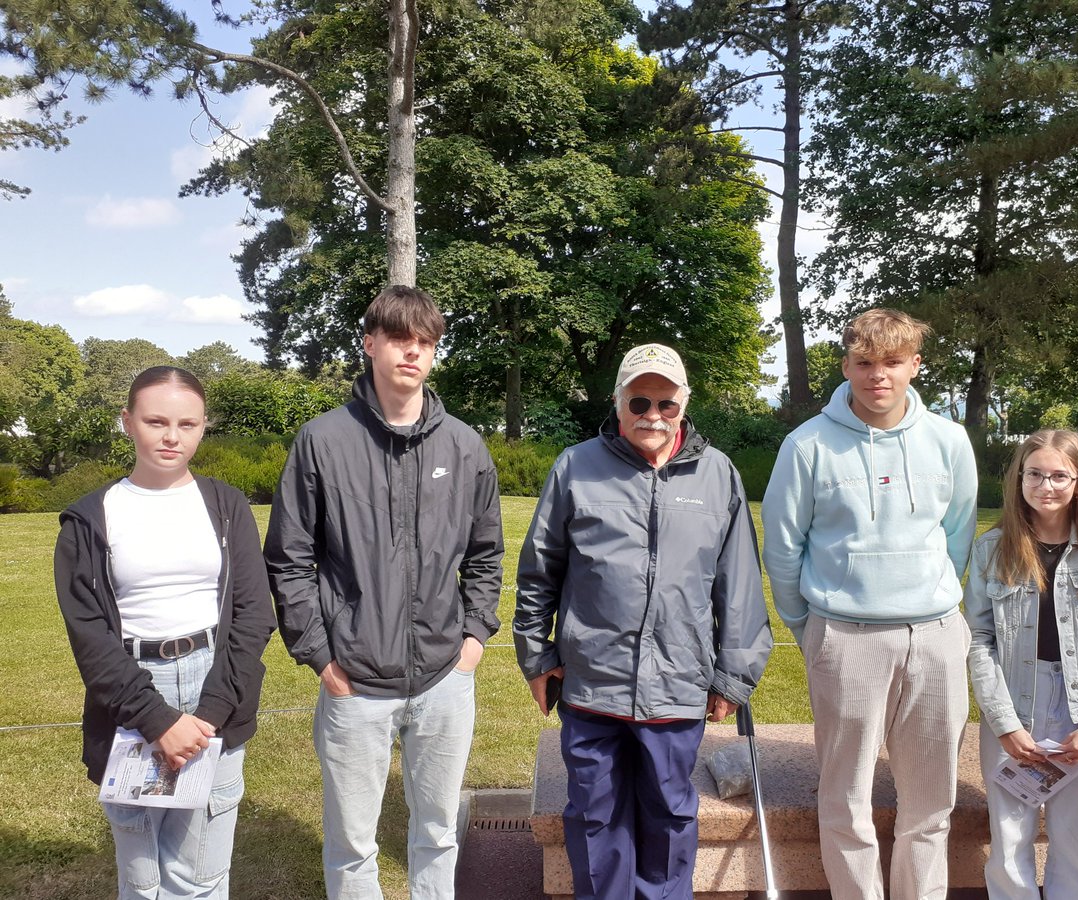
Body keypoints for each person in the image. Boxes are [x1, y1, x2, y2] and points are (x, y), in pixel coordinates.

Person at [264, 285, 504, 900]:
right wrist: (320, 657)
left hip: (444, 678)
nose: (412, 352)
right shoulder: (321, 442)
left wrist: (474, 639)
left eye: (425, 342)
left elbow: (485, 555)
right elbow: (288, 559)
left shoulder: (466, 446)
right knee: (351, 845)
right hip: (354, 681)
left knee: (437, 832)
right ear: (369, 343)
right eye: (399, 338)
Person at [514, 343, 773, 900]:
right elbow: (539, 572)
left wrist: (732, 676)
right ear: (618, 402)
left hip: (678, 685)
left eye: (667, 404)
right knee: (594, 817)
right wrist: (537, 657)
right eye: (640, 402)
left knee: (670, 817)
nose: (653, 415)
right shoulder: (575, 467)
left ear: (684, 405)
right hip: (591, 683)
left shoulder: (718, 474)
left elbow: (740, 588)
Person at [760, 309, 978, 900]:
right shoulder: (806, 446)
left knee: (932, 800)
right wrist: (810, 628)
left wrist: (931, 597)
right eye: (863, 362)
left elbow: (956, 532)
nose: (876, 375)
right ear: (846, 365)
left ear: (914, 365)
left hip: (935, 636)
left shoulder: (949, 441)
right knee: (846, 798)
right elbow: (782, 547)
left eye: (891, 362)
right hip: (845, 637)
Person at [54, 366, 276, 899]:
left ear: (203, 428)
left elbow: (252, 613)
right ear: (127, 422)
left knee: (199, 875)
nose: (172, 436)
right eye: (156, 421)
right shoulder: (89, 520)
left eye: (188, 424)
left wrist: (210, 714)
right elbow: (90, 635)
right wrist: (156, 721)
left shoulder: (227, 507)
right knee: (143, 876)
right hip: (129, 696)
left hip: (214, 685)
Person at [965, 429, 1078, 899]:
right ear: (1019, 479)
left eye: (1059, 476)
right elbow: (978, 641)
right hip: (1014, 704)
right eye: (1035, 474)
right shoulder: (993, 549)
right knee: (1009, 840)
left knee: (1076, 839)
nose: (1047, 486)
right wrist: (1003, 723)